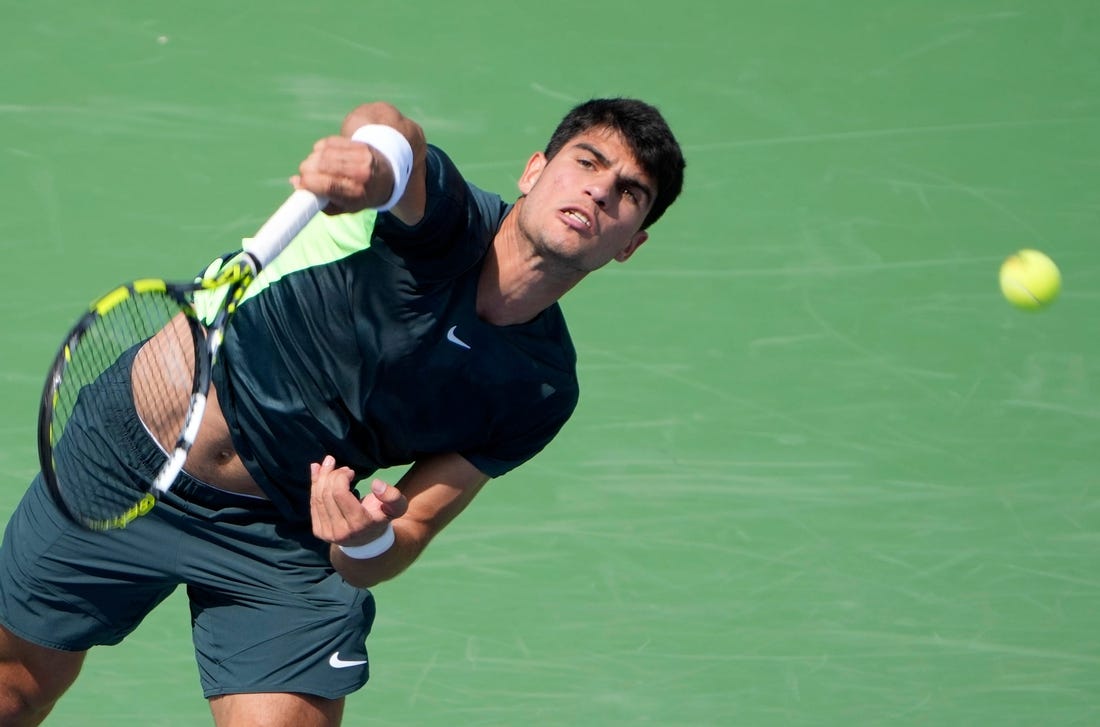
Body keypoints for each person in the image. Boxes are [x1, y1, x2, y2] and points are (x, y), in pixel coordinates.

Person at [0, 97, 685, 726]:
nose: (600, 189)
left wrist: (360, 536)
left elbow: (407, 530)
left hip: (284, 532)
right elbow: (395, 141)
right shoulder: (449, 222)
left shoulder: (538, 389)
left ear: (631, 243)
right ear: (535, 171)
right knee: (14, 692)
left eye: (630, 194)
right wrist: (371, 156)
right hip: (129, 459)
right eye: (587, 163)